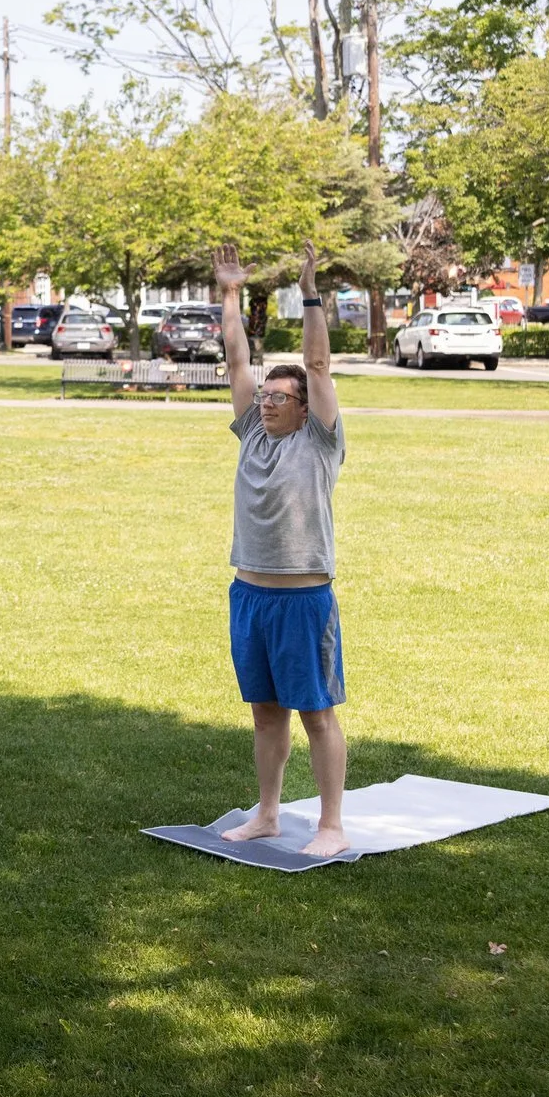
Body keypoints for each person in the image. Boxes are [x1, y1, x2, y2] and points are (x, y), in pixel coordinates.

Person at [213, 240, 350, 857]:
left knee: (315, 714)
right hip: (251, 595)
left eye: (277, 398)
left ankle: (329, 824)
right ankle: (267, 814)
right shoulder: (252, 434)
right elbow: (236, 356)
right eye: (262, 396)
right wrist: (232, 294)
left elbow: (318, 366)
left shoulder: (319, 441)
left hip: (303, 599)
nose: (264, 403)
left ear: (302, 407)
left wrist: (309, 287)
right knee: (266, 713)